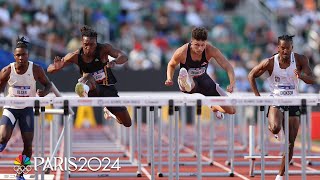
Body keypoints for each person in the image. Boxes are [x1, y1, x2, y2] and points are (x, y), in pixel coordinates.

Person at [248, 35, 316, 180]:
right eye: (282, 48)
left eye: (288, 48)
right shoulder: (270, 62)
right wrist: (258, 98)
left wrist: (302, 76)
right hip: (276, 99)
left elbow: (312, 80)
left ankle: (280, 175)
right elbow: (251, 75)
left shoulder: (300, 60)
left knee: (290, 143)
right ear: (278, 48)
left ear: (292, 48)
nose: (285, 51)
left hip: (293, 101)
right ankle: (275, 131)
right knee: (275, 128)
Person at [47, 25, 132, 127]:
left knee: (126, 122)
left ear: (96, 43)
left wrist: (115, 62)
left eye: (92, 45)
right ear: (82, 43)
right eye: (86, 44)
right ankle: (83, 90)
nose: (89, 48)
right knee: (88, 76)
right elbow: (49, 69)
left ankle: (109, 112)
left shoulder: (103, 49)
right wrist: (56, 67)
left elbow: (124, 56)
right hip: (90, 89)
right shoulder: (75, 55)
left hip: (107, 88)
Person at [0, 37, 52, 180]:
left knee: (28, 145)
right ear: (14, 56)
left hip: (27, 109)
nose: (21, 58)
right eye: (18, 55)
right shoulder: (7, 70)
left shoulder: (35, 69)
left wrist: (43, 92)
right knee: (3, 137)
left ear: (28, 55)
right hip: (10, 107)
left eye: (24, 55)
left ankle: (20, 173)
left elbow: (48, 84)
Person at [165, 27, 236, 117]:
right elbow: (171, 64)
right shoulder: (182, 51)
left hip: (204, 80)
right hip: (189, 81)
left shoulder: (211, 50)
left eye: (203, 45)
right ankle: (185, 82)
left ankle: (214, 107)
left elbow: (228, 66)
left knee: (231, 110)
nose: (200, 48)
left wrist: (232, 83)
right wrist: (169, 78)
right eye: (197, 45)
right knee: (189, 82)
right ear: (191, 42)